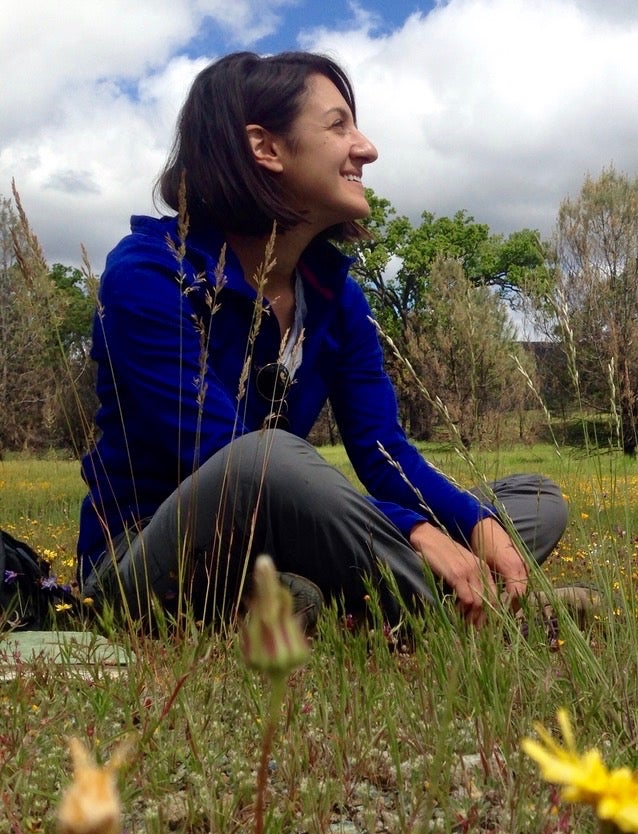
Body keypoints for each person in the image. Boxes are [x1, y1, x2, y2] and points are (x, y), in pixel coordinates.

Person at [76, 50, 568, 629]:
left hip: (283, 538)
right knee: (268, 453)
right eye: (339, 125)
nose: (367, 148)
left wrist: (475, 526)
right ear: (266, 148)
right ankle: (506, 615)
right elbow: (226, 463)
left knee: (535, 502)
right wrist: (412, 530)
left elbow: (386, 455)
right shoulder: (153, 276)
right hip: (153, 557)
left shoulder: (336, 297)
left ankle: (382, 598)